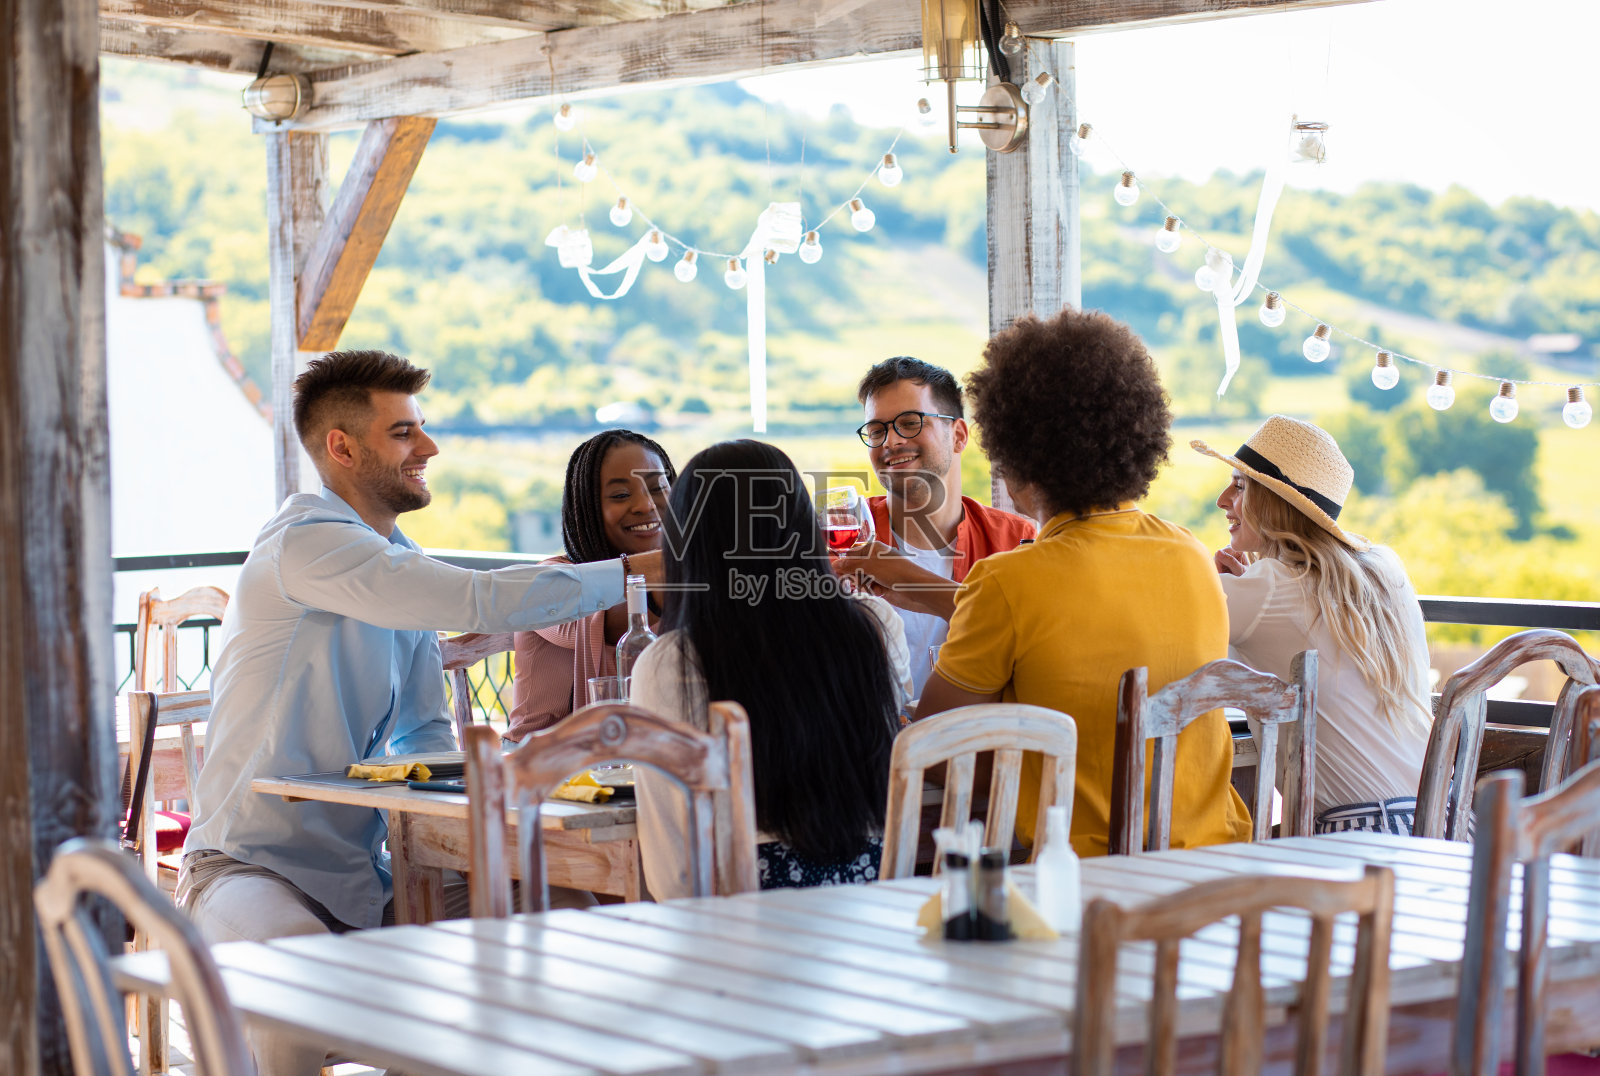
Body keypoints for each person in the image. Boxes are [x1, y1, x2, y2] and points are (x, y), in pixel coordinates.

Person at [177, 350, 660, 1076]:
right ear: (342, 448)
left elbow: (424, 734)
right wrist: (634, 574)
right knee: (302, 990)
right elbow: (475, 599)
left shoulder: (393, 558)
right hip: (248, 868)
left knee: (574, 914)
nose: (429, 447)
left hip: (369, 877)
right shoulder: (306, 544)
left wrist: (496, 793)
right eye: (404, 433)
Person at [849, 309, 1251, 856]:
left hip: (1087, 871)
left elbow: (937, 749)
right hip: (1216, 856)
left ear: (1017, 449)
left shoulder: (1009, 577)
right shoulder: (1192, 554)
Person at [631, 440, 913, 899]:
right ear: (801, 524)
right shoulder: (875, 625)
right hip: (873, 908)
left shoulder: (671, 662)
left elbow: (673, 867)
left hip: (742, 922)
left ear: (687, 546)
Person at [1194, 415, 1432, 835]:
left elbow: (1164, 638)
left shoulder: (1269, 588)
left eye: (1240, 486)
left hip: (1357, 836)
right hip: (1441, 823)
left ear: (1274, 501)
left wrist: (1240, 588)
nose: (1222, 499)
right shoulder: (1383, 568)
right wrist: (1248, 586)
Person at [854, 356, 1034, 694]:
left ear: (959, 436)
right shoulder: (842, 540)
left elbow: (1033, 654)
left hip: (978, 728)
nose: (890, 442)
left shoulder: (1015, 542)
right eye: (877, 431)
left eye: (910, 423)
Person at [506, 429, 676, 743]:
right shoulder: (551, 580)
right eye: (621, 495)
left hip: (645, 756)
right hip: (538, 761)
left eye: (658, 488)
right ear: (587, 508)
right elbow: (610, 619)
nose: (646, 505)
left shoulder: (686, 578)